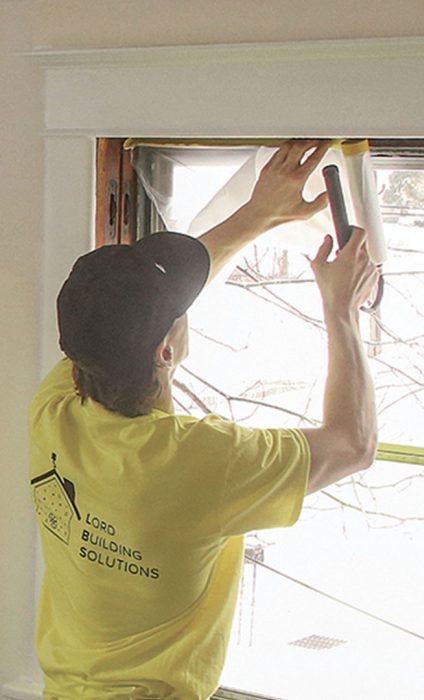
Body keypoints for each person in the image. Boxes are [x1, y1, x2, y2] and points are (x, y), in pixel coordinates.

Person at [28, 140, 378, 700]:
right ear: (166, 352)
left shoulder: (55, 410)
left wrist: (257, 213)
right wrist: (342, 312)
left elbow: (140, 320)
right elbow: (352, 445)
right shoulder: (204, 463)